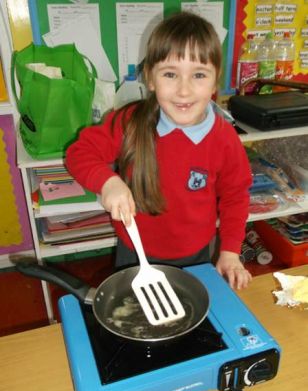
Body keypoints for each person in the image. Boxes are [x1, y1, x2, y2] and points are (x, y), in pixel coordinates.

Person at [66, 11, 252, 290]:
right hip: (134, 250)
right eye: (170, 74)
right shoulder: (129, 121)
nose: (184, 90)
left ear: (215, 83)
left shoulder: (224, 138)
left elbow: (235, 195)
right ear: (150, 79)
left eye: (199, 75)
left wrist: (230, 251)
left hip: (196, 253)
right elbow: (79, 153)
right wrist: (108, 182)